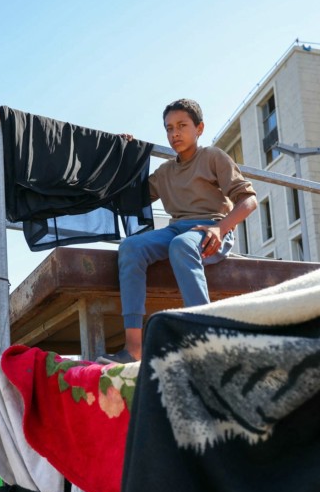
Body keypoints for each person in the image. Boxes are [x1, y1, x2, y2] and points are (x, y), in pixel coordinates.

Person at [100, 98, 258, 364]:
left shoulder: (213, 157)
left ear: (199, 128)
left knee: (182, 245)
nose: (175, 134)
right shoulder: (164, 172)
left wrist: (221, 229)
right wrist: (121, 154)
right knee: (130, 246)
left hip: (211, 227)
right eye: (169, 128)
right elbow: (127, 197)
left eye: (182, 126)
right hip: (176, 230)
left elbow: (249, 200)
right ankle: (134, 348)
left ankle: (204, 339)